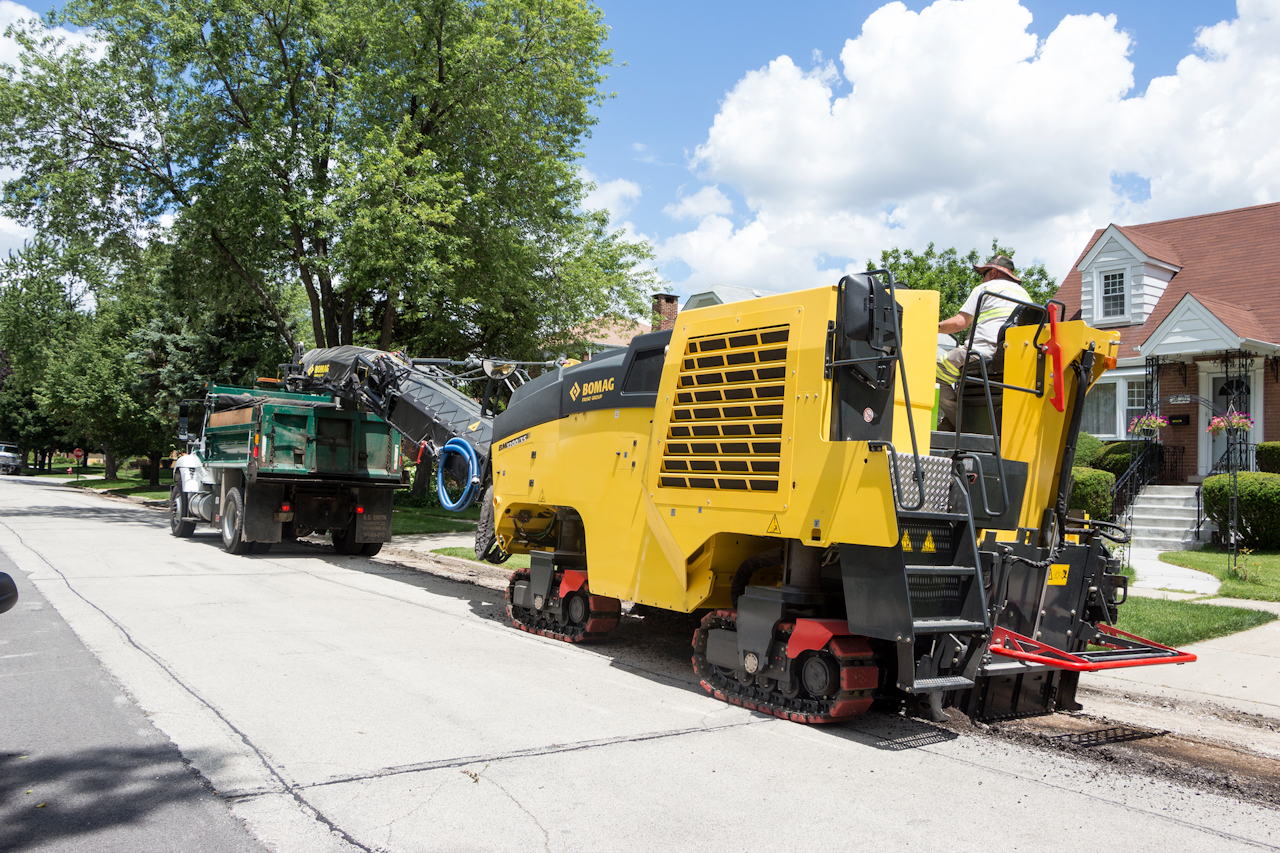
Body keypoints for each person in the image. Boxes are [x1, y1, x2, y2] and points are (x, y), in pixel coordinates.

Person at [936, 255, 1030, 431]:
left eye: (983, 274)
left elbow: (960, 323)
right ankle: (948, 427)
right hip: (1013, 358)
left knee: (932, 373)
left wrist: (932, 326)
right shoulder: (1025, 295)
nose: (982, 279)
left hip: (981, 352)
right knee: (959, 382)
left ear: (993, 272)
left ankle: (962, 425)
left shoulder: (986, 288)